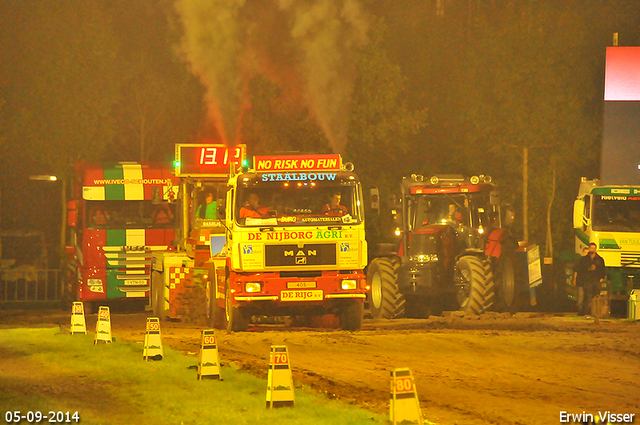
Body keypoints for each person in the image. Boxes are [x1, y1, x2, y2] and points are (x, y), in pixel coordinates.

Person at [574, 242, 606, 316]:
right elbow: (580, 270)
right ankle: (585, 313)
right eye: (591, 248)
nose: (592, 250)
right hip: (587, 281)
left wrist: (602, 278)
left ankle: (595, 313)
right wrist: (589, 269)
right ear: (589, 249)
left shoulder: (600, 259)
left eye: (594, 248)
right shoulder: (584, 259)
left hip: (596, 281)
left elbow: (603, 269)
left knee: (596, 297)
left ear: (595, 249)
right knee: (587, 297)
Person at [573, 247, 589, 314]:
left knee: (587, 298)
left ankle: (586, 312)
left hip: (588, 283)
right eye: (585, 252)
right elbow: (576, 271)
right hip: (580, 282)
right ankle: (580, 312)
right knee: (580, 299)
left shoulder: (591, 262)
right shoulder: (579, 262)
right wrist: (574, 280)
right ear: (583, 253)